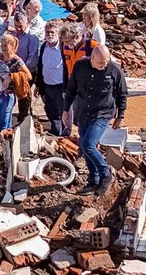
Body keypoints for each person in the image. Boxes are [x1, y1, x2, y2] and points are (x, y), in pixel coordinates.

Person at [63, 45, 128, 196]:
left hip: (103, 113)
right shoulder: (80, 67)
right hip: (83, 112)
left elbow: (122, 93)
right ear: (92, 58)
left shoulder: (114, 70)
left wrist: (121, 115)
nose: (104, 65)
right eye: (101, 63)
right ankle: (93, 180)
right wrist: (66, 110)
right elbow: (71, 89)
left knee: (88, 144)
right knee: (85, 148)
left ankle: (105, 175)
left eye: (106, 62)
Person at [0, 34, 31, 132]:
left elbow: (28, 75)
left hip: (9, 93)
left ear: (12, 46)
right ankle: (5, 141)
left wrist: (11, 76)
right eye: (2, 45)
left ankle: (4, 142)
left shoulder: (17, 60)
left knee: (4, 121)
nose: (3, 48)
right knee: (1, 120)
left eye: (5, 45)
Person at [35, 21, 67, 136]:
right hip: (47, 86)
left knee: (62, 113)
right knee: (50, 111)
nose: (50, 34)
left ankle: (64, 136)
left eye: (52, 32)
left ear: (58, 33)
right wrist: (38, 85)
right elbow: (40, 66)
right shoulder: (44, 46)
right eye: (47, 32)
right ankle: (55, 132)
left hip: (60, 87)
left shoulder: (63, 47)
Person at [13, 12, 40, 78]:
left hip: (27, 72)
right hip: (15, 71)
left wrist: (22, 70)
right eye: (16, 26)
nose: (18, 29)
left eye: (20, 26)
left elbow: (32, 59)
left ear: (27, 23)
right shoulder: (14, 34)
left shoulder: (32, 37)